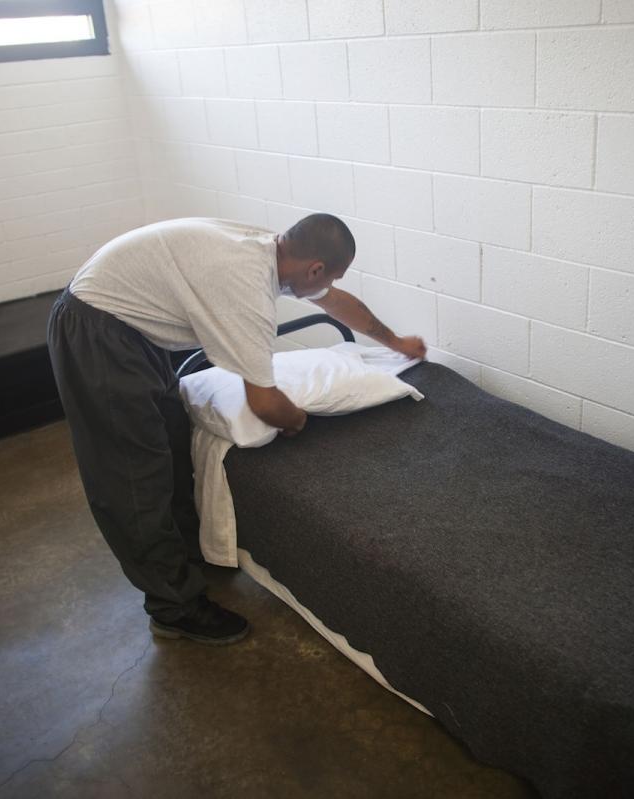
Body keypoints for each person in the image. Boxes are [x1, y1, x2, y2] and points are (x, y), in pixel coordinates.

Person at [46, 214, 427, 645]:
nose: (332, 284)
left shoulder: (276, 251)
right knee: (134, 479)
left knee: (171, 444)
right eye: (333, 275)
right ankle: (174, 609)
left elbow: (336, 302)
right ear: (315, 268)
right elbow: (264, 403)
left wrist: (395, 343)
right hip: (96, 330)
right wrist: (299, 420)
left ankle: (186, 557)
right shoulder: (246, 290)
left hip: (130, 327)